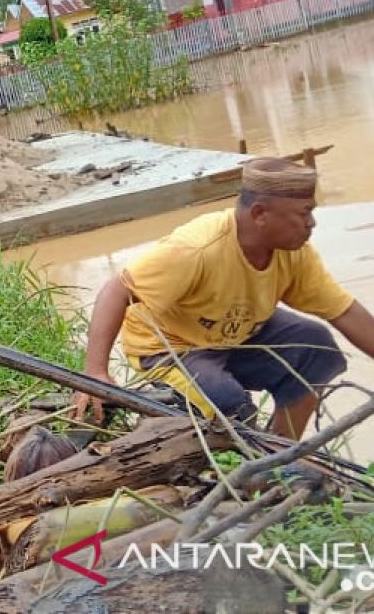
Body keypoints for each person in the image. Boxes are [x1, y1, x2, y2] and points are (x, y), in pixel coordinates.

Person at [73, 158, 374, 439]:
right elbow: (117, 290)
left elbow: (344, 311)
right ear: (259, 214)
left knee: (315, 347)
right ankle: (240, 463)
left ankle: (281, 454)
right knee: (229, 406)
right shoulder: (197, 248)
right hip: (172, 346)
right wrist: (95, 373)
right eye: (303, 213)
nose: (311, 223)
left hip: (236, 334)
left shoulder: (293, 253)